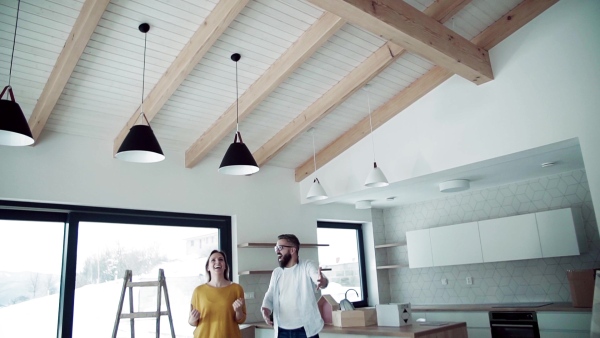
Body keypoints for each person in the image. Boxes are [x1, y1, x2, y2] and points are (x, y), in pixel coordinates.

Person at [261, 234, 329, 338]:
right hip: (281, 331)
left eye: (280, 248)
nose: (277, 252)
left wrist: (322, 281)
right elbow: (270, 295)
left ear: (293, 250)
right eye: (276, 248)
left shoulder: (307, 266)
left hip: (306, 330)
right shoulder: (277, 273)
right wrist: (265, 309)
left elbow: (317, 277)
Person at [189, 249, 246, 338]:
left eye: (221, 259)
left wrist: (238, 310)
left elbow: (241, 320)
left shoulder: (237, 289)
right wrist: (192, 319)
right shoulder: (198, 291)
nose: (217, 262)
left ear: (225, 266)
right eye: (213, 260)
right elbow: (192, 322)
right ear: (208, 267)